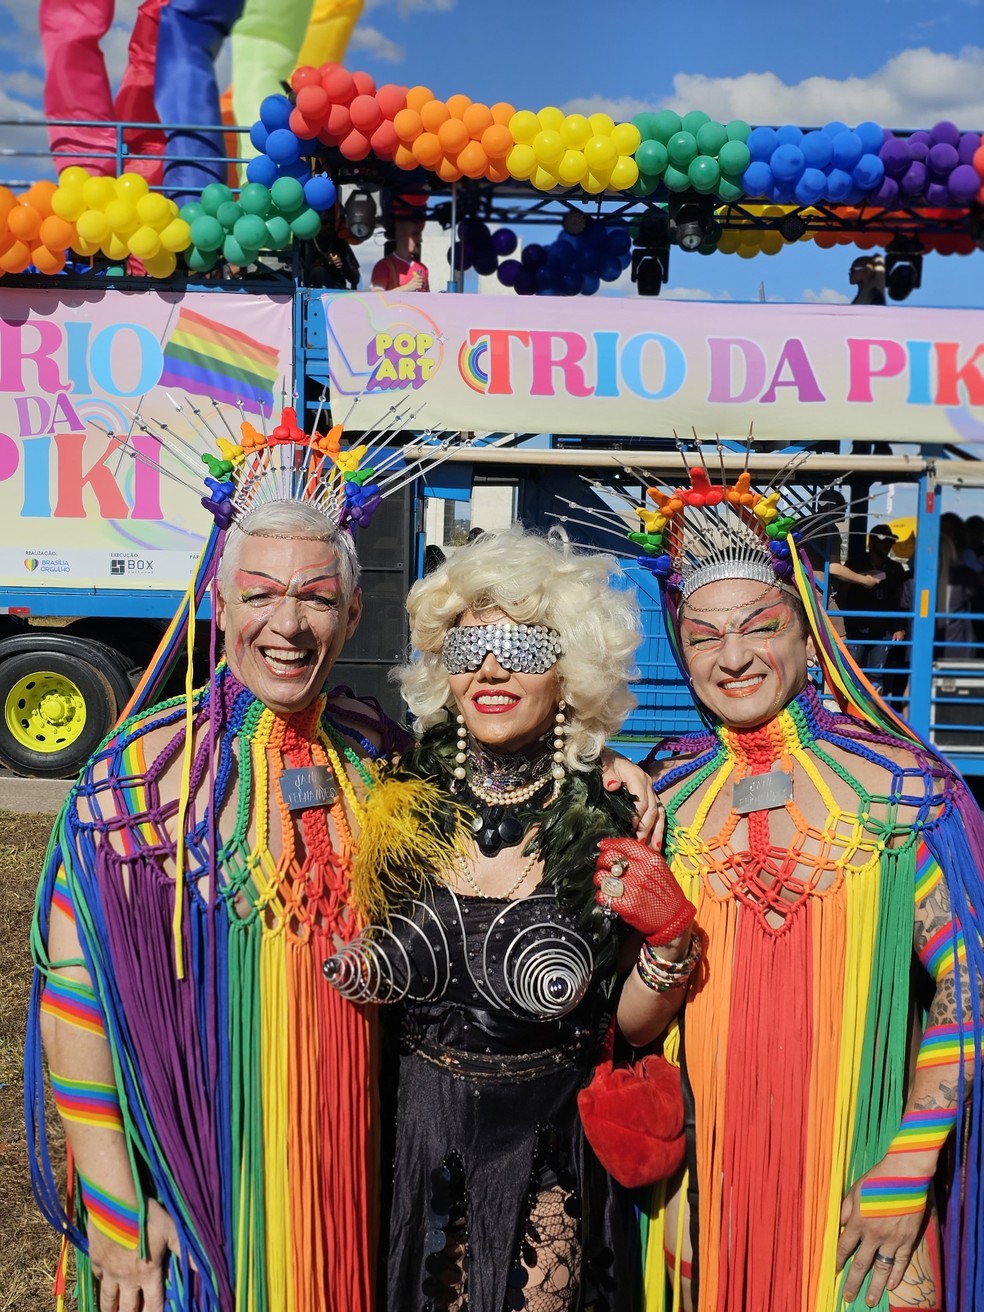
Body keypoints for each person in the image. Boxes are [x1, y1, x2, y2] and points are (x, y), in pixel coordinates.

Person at [598, 460, 984, 1311]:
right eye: (703, 637)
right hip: (709, 1203)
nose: (733, 658)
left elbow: (969, 984)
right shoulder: (663, 800)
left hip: (864, 1194)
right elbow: (629, 1024)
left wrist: (908, 1165)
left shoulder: (899, 792)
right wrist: (662, 937)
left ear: (808, 632)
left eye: (759, 627)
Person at [323, 528, 696, 1312]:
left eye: (522, 645)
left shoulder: (615, 814)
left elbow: (630, 1027)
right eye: (470, 647)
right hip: (415, 1137)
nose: (491, 667)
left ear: (570, 671)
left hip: (548, 1148)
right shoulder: (397, 796)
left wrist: (669, 940)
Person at [840, 523, 909, 699]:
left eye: (891, 541)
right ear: (872, 541)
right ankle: (851, 714)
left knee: (878, 675)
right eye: (884, 540)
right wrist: (842, 624)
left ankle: (876, 716)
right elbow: (842, 595)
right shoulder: (855, 564)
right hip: (856, 627)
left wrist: (900, 627)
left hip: (884, 629)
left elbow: (901, 599)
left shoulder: (895, 568)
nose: (888, 545)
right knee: (852, 673)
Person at [370, 214, 429, 292]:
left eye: (420, 235)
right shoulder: (383, 266)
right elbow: (376, 298)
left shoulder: (423, 268)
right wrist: (407, 288)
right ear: (401, 235)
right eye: (415, 234)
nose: (420, 239)